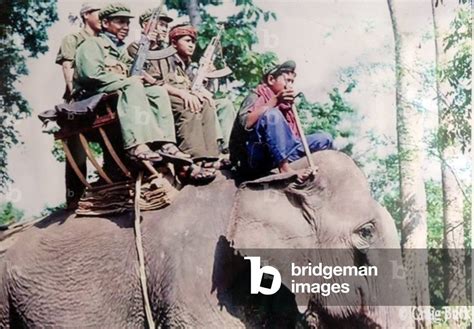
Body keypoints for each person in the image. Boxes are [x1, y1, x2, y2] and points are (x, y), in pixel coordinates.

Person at [74, 3, 192, 167]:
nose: (126, 26)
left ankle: (166, 143)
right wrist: (127, 81)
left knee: (157, 92)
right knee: (132, 85)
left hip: (120, 93)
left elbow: (135, 73)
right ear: (106, 23)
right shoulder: (92, 44)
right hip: (95, 98)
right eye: (120, 22)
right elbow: (91, 75)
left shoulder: (121, 51)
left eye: (128, 22)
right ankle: (136, 145)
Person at [229, 60, 333, 177]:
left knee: (324, 139)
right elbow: (245, 123)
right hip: (257, 155)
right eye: (287, 80)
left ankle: (289, 163)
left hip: (281, 151)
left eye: (292, 82)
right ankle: (285, 169)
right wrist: (275, 101)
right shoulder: (256, 95)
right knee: (272, 115)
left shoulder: (286, 105)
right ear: (271, 79)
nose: (290, 85)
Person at [55, 2, 101, 209]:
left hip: (101, 96)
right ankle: (74, 196)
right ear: (86, 15)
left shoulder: (103, 41)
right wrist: (75, 95)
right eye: (100, 14)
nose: (104, 18)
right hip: (80, 99)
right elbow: (67, 66)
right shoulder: (73, 39)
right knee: (76, 145)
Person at [152, 24, 219, 160]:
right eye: (187, 41)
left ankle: (212, 155)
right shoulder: (161, 58)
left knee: (206, 103)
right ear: (174, 43)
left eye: (193, 42)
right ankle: (195, 155)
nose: (192, 45)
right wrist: (184, 94)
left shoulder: (187, 66)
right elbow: (155, 81)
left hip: (182, 95)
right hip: (164, 97)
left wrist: (207, 78)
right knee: (188, 104)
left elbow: (194, 87)